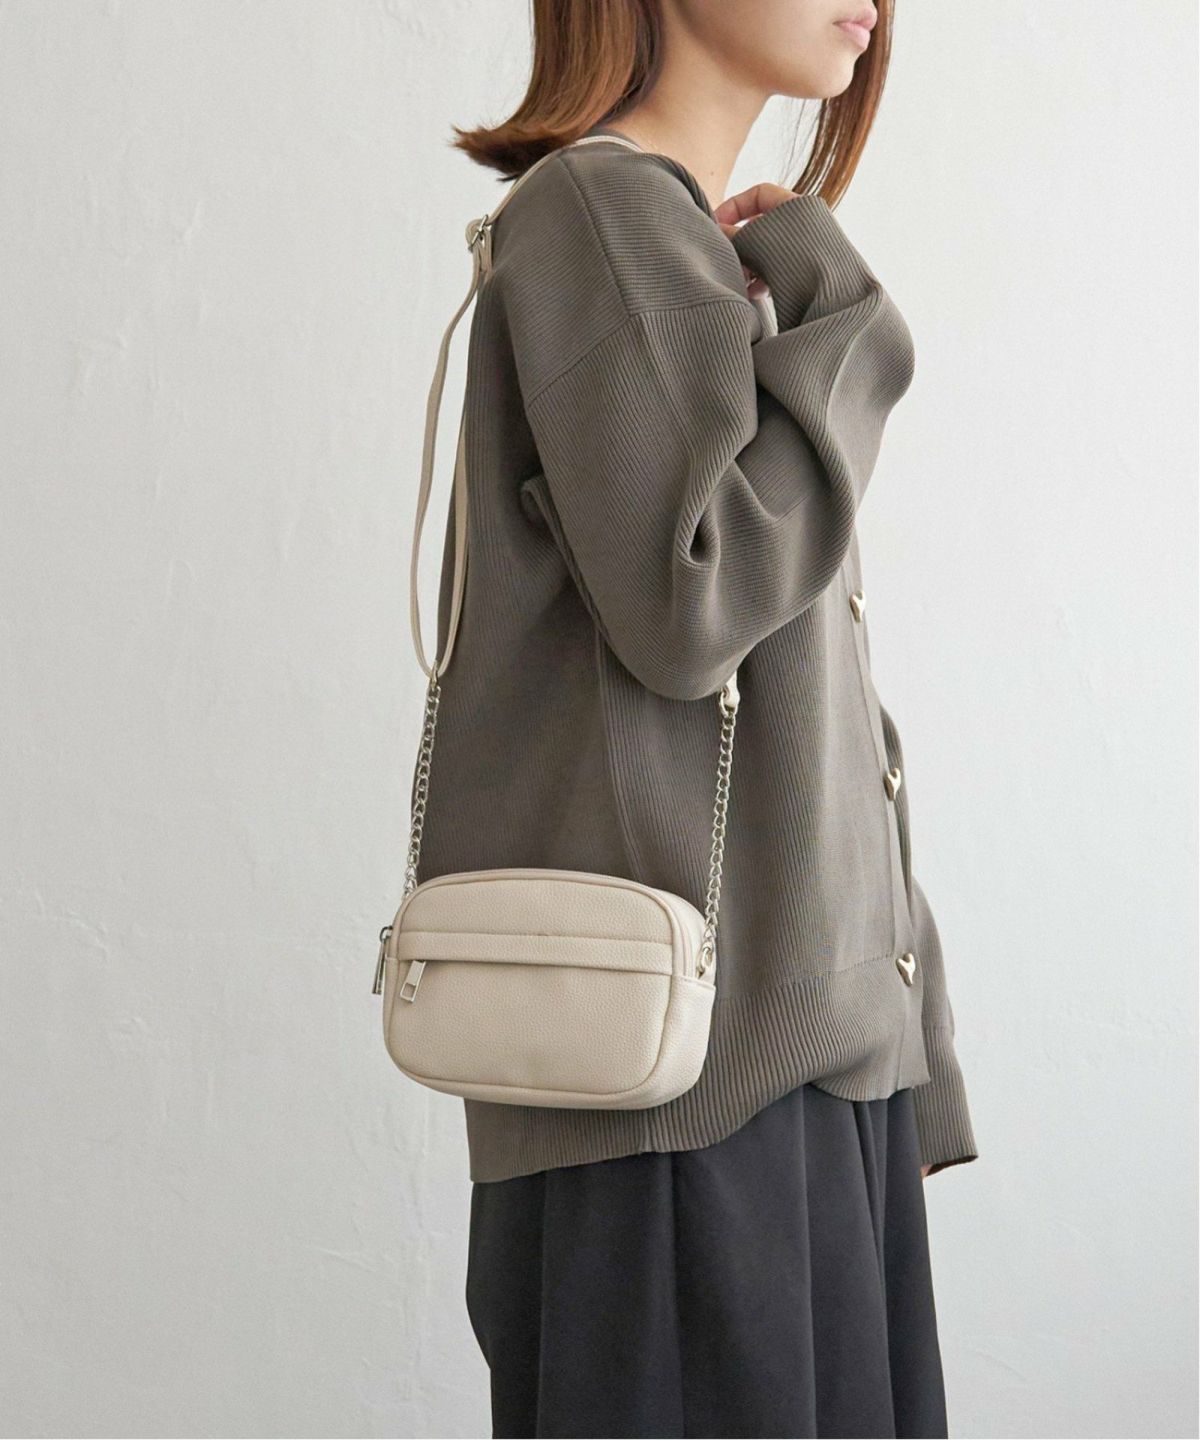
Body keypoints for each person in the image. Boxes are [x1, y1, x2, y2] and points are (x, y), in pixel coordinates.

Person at [423, 1, 979, 1434]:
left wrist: (908, 1046)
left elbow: (815, 703)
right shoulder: (598, 214)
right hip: (679, 1116)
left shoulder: (699, 251)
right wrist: (848, 315)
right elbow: (698, 591)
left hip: (792, 1089)